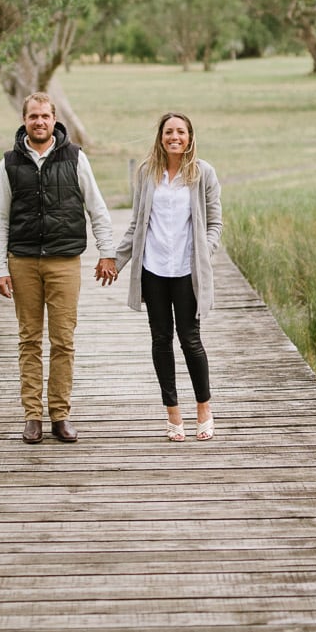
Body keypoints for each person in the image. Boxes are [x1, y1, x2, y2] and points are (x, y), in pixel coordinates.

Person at [0, 92, 118, 444]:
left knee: (63, 341)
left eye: (45, 116)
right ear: (25, 121)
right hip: (23, 262)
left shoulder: (75, 158)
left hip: (64, 262)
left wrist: (107, 253)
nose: (39, 122)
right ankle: (32, 416)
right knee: (29, 340)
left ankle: (60, 415)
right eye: (33, 117)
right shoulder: (9, 164)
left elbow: (97, 209)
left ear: (54, 119)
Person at [109, 112, 222, 441]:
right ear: (160, 137)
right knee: (161, 340)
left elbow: (214, 222)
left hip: (187, 272)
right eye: (169, 131)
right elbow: (136, 224)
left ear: (190, 137)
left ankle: (204, 408)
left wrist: (205, 251)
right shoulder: (147, 173)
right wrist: (115, 261)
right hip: (154, 270)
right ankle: (173, 413)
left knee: (190, 340)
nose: (175, 137)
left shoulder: (203, 173)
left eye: (181, 132)